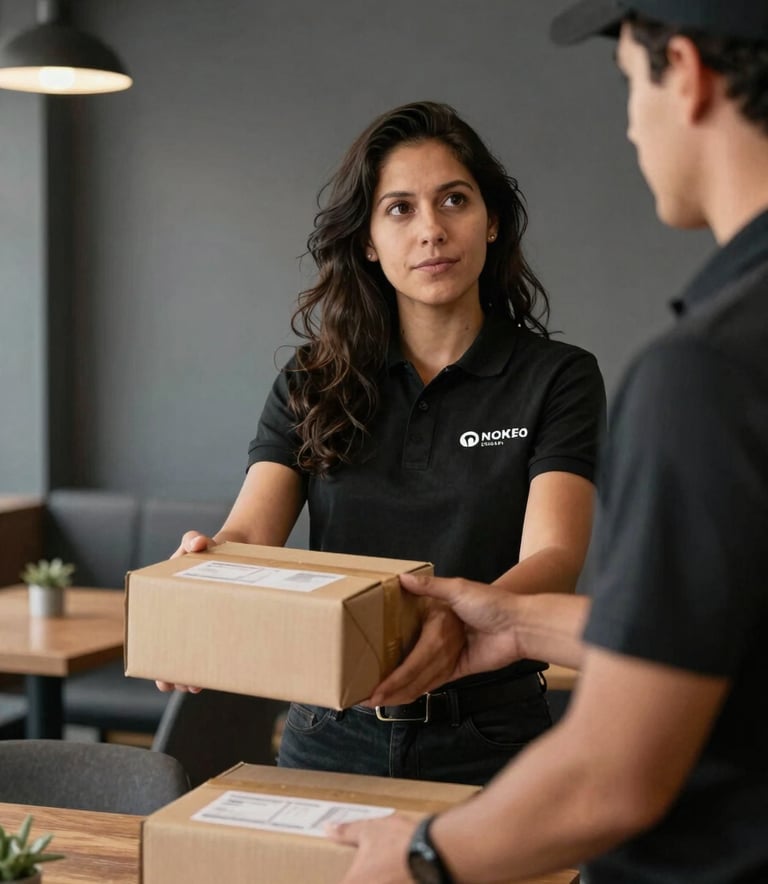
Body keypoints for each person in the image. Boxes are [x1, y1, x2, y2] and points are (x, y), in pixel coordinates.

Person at [329, 2, 768, 882]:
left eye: (628, 83)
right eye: (400, 209)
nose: (633, 125)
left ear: (683, 72)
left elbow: (614, 775)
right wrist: (518, 620)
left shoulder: (707, 370)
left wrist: (420, 855)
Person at [157, 100, 606, 787]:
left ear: (490, 221)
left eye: (453, 199)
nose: (431, 230)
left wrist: (457, 624)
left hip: (493, 733)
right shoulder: (313, 378)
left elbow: (554, 556)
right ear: (367, 239)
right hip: (329, 727)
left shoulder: (557, 378)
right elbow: (251, 529)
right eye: (399, 209)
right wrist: (203, 574)